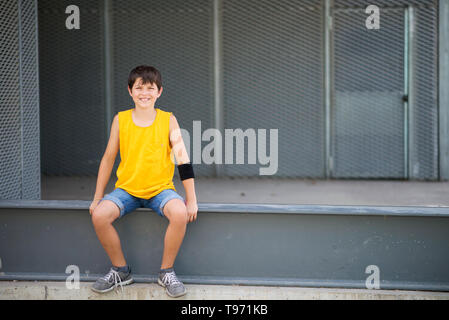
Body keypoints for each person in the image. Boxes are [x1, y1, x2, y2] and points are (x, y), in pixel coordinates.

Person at [88, 65, 198, 298]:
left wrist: (192, 199)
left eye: (150, 88)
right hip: (127, 190)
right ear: (130, 91)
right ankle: (120, 270)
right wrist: (97, 197)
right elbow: (108, 159)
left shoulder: (168, 120)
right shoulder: (121, 120)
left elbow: (183, 160)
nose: (144, 93)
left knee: (179, 213)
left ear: (159, 92)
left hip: (161, 190)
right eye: (139, 87)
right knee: (99, 215)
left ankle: (166, 272)